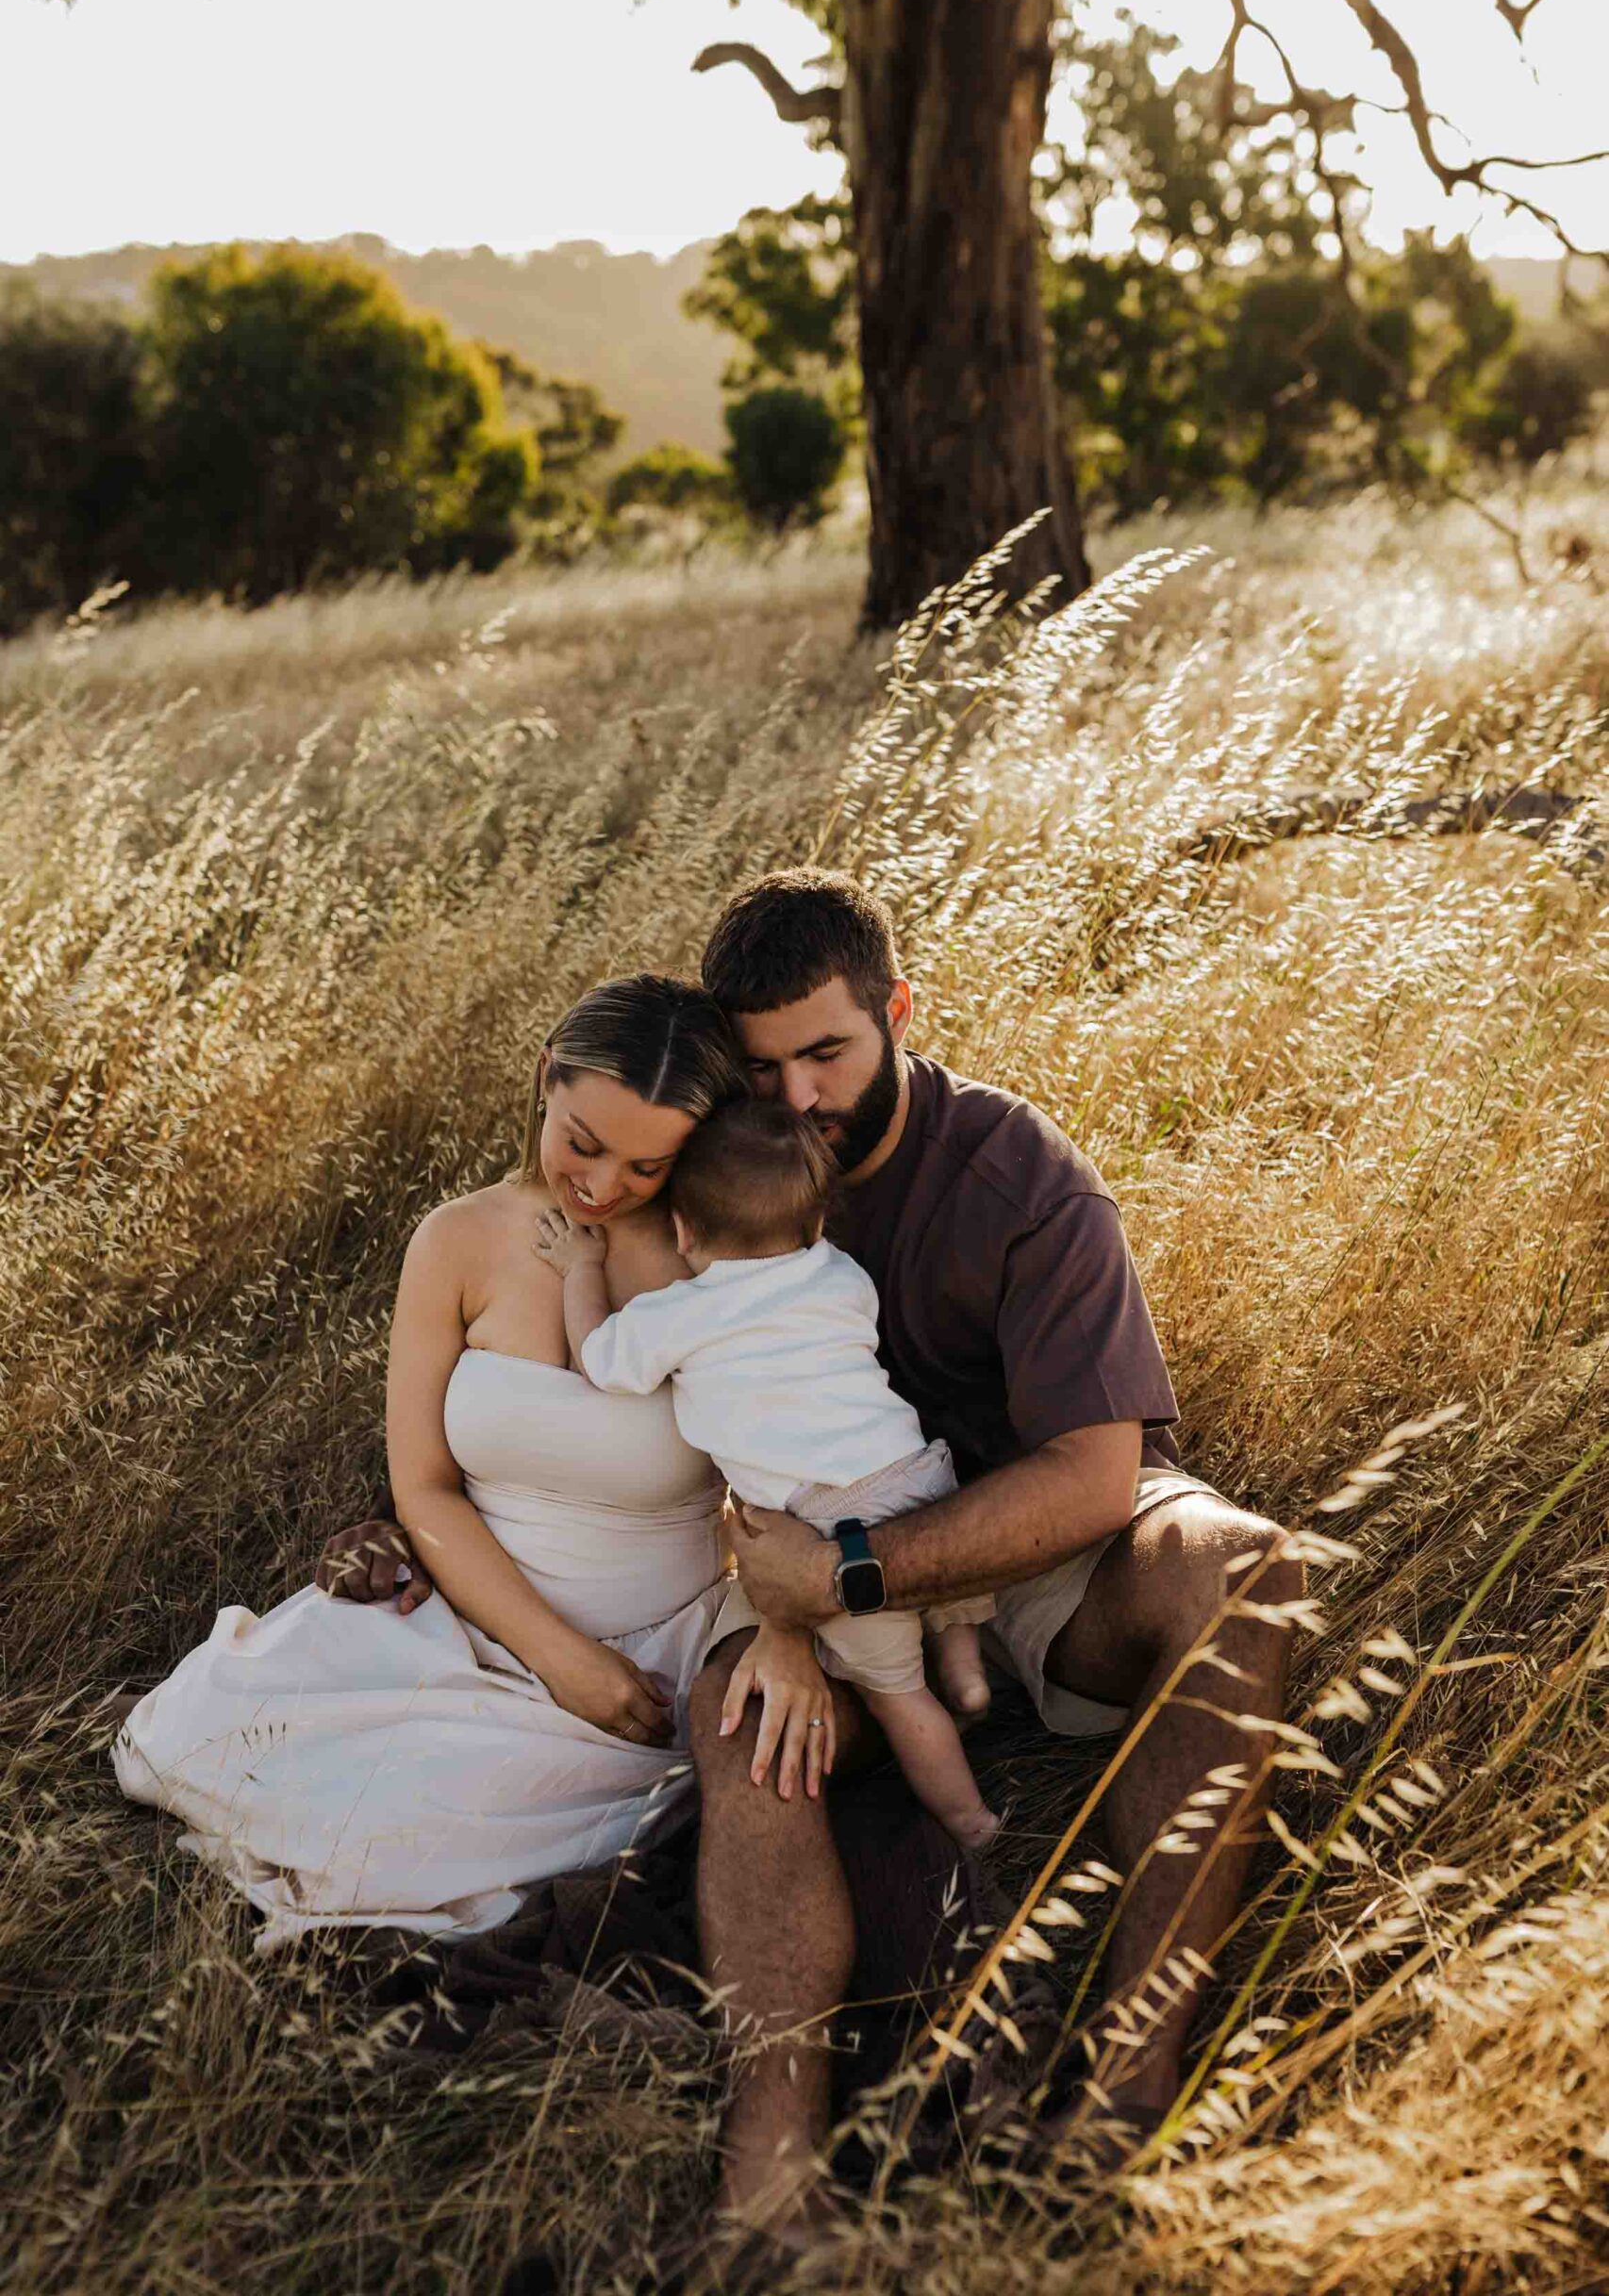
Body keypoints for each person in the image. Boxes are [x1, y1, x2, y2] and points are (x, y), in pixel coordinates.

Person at [320, 872, 1301, 2239]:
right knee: (746, 1727)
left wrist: (848, 1576)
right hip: (788, 1562)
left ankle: (1129, 2084)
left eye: (825, 1053)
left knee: (1242, 1566)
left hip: (1015, 1542)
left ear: (895, 1013)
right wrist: (777, 1614)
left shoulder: (1013, 1174)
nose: (790, 1099)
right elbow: (677, 1445)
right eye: (761, 1066)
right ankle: (767, 2182)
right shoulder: (702, 1181)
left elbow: (1093, 1473)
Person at [114, 975, 837, 1949]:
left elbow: (791, 1468)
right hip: (469, 1611)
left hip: (650, 1653)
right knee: (202, 1730)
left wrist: (672, 1654)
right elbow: (424, 1486)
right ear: (546, 1077)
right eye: (581, 1141)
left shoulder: (717, 1257)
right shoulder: (456, 1238)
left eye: (646, 1163)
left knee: (418, 1834)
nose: (601, 1184)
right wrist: (555, 1655)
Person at [533, 1096, 998, 1851]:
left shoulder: (683, 1313)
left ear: (683, 1230)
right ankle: (968, 1665)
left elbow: (601, 1360)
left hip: (832, 1520)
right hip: (916, 1472)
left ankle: (969, 1822)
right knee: (938, 1595)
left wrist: (580, 1268)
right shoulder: (840, 1274)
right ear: (814, 1226)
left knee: (899, 1697)